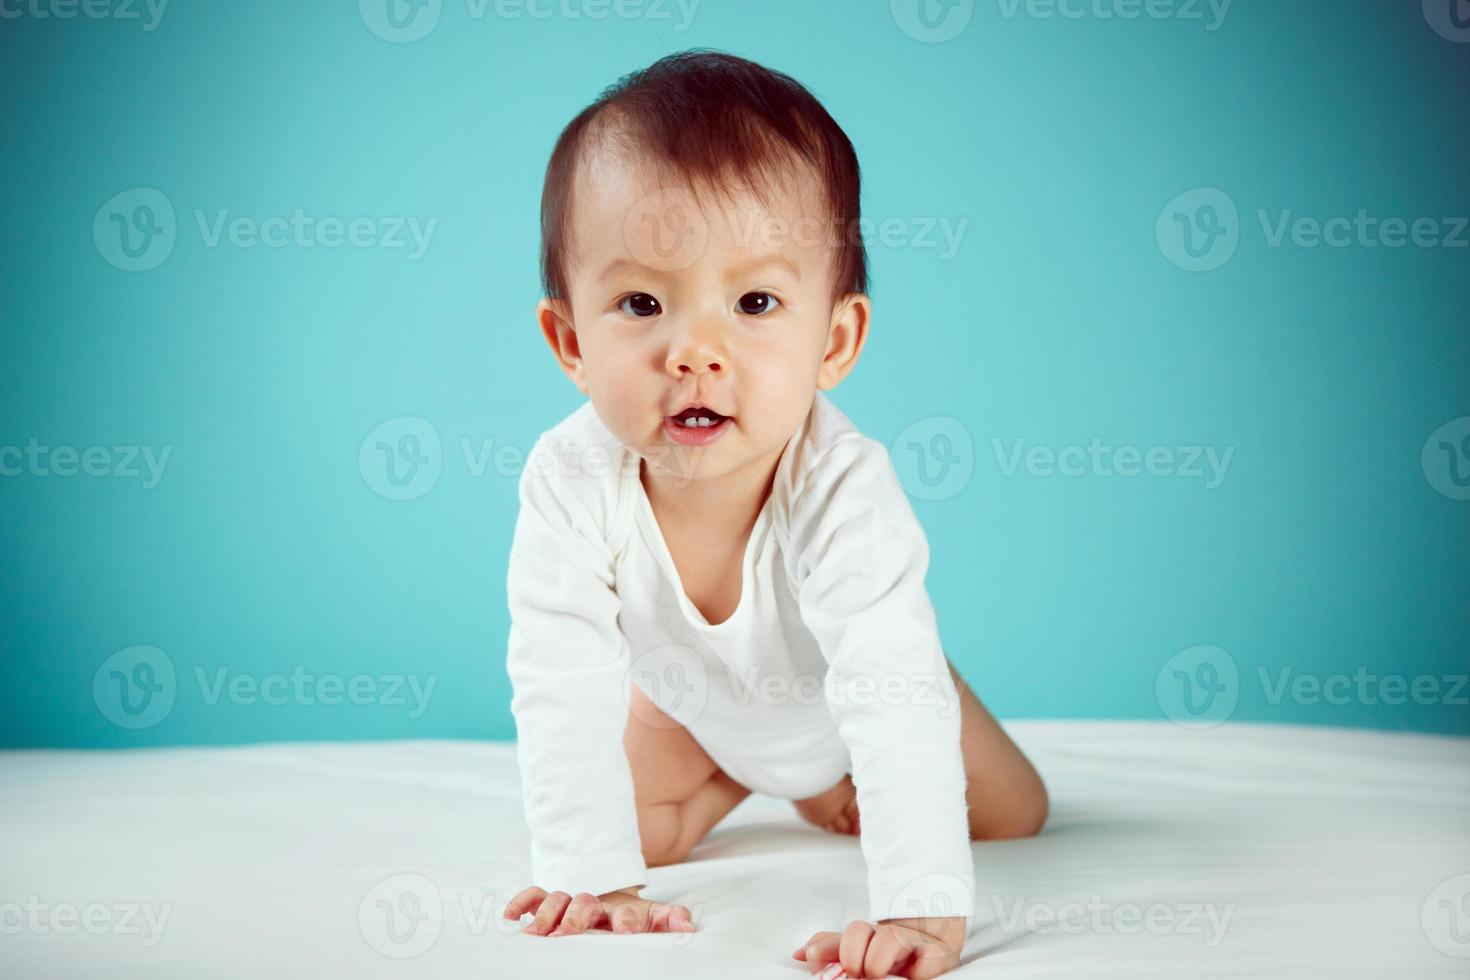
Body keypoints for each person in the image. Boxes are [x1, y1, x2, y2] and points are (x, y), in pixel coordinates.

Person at [502, 49, 1047, 979]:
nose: (695, 353)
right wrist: (592, 877)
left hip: (857, 690)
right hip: (695, 708)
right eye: (641, 303)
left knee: (1011, 813)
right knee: (631, 839)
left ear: (834, 340)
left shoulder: (842, 488)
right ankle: (735, 776)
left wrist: (920, 912)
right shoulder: (568, 475)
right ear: (570, 341)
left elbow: (885, 691)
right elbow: (558, 674)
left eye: (755, 302)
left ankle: (845, 756)